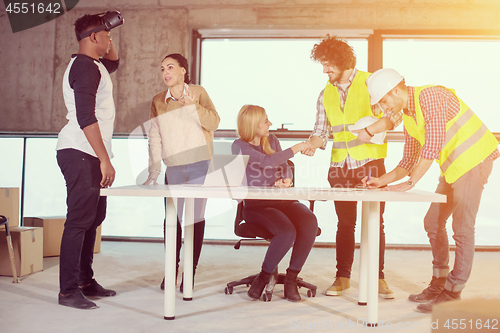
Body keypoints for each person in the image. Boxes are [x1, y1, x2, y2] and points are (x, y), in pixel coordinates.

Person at [364, 68, 499, 313]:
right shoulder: (408, 117)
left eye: (384, 100)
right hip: (454, 168)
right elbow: (407, 162)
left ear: (396, 90)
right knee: (433, 222)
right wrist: (381, 181)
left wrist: (410, 183)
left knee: (462, 227)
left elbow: (434, 144)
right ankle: (439, 283)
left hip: (475, 160)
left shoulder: (430, 96)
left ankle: (453, 291)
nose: (384, 108)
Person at [301, 35, 402, 299]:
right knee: (345, 224)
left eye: (327, 64)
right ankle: (342, 277)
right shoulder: (325, 93)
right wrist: (312, 143)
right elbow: (321, 131)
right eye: (322, 65)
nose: (324, 70)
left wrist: (371, 129)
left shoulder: (371, 84)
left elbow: (395, 115)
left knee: (375, 224)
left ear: (341, 61)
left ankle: (378, 278)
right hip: (339, 167)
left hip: (371, 165)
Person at [56, 12, 122, 309]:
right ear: (92, 38)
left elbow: (115, 62)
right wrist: (105, 160)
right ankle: (68, 291)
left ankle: (85, 280)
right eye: (105, 35)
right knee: (79, 221)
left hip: (89, 152)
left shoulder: (93, 65)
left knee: (93, 219)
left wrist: (107, 28)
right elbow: (86, 117)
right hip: (81, 151)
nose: (110, 40)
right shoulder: (84, 68)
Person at [143, 53, 220, 291]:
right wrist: (155, 168)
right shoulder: (158, 100)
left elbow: (214, 122)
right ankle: (171, 269)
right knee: (172, 221)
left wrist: (192, 107)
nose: (166, 72)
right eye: (162, 68)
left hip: (200, 164)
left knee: (195, 221)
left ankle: (190, 273)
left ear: (183, 71)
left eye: (170, 67)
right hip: (174, 166)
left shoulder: (199, 93)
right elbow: (154, 136)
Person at [231, 105, 318, 302]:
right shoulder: (238, 146)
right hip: (257, 206)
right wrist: (297, 147)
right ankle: (263, 277)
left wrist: (286, 180)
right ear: (253, 125)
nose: (270, 124)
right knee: (286, 231)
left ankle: (291, 279)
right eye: (265, 121)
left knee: (309, 221)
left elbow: (284, 166)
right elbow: (267, 161)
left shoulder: (272, 140)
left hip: (282, 201)